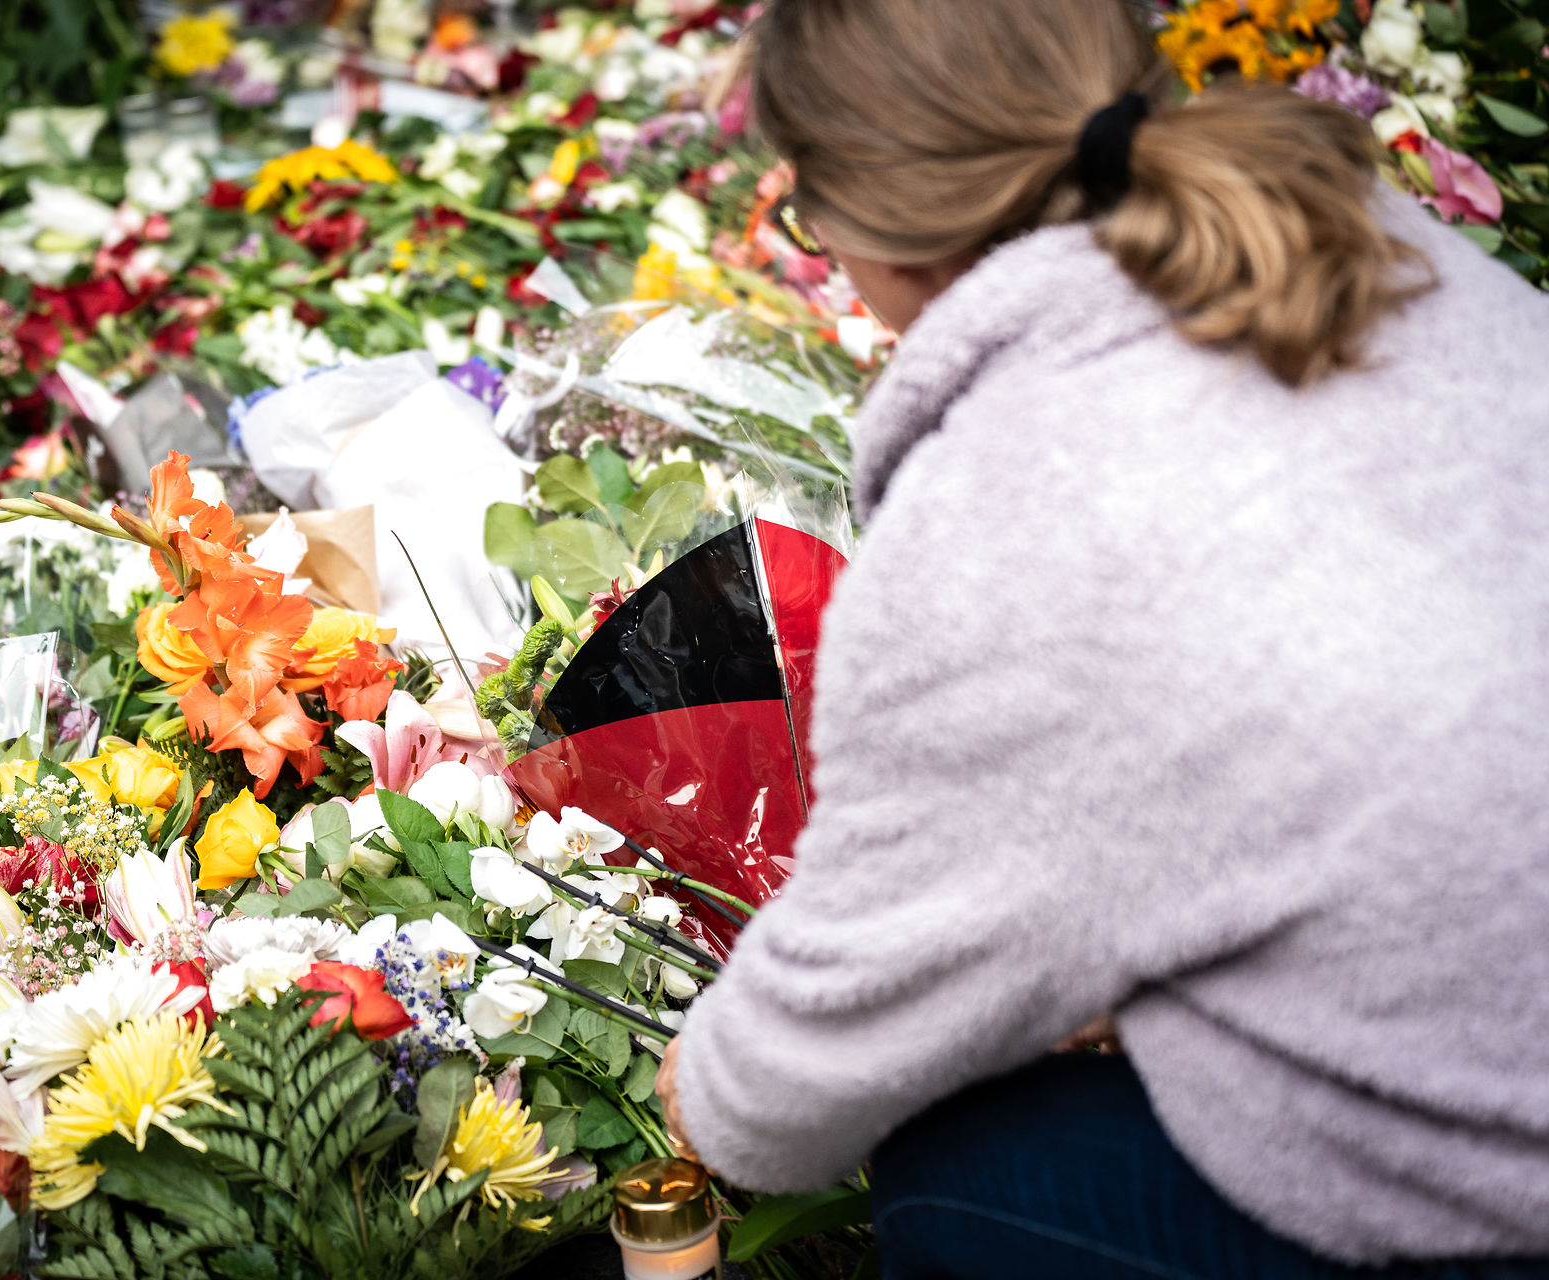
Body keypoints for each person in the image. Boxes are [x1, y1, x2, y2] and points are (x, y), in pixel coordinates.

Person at [651, 1, 1549, 1276]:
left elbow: (804, 1084)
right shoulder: (1383, 238)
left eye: (808, 214)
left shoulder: (1014, 504)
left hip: (1508, 1185)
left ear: (870, 222)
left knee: (954, 1154)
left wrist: (712, 1084)